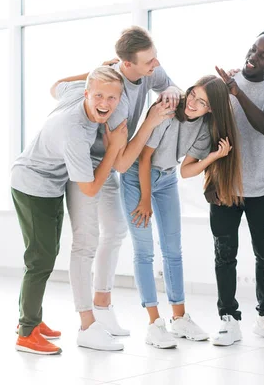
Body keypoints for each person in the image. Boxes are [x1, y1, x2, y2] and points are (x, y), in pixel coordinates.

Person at [51, 26, 182, 350]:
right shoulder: (116, 98)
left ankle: (103, 305)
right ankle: (87, 323)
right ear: (127, 64)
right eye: (149, 61)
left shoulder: (149, 71)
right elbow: (123, 163)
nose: (156, 64)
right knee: (86, 242)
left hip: (106, 164)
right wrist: (150, 120)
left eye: (154, 58)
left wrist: (173, 90)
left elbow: (170, 83)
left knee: (116, 231)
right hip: (87, 165)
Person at [11, 67, 128, 355]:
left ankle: (31, 322)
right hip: (33, 185)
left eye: (112, 97)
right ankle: (26, 333)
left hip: (48, 186)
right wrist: (113, 149)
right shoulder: (75, 131)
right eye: (99, 95)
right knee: (40, 259)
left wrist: (99, 68)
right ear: (87, 93)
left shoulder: (75, 92)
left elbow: (56, 86)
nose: (105, 103)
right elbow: (88, 189)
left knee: (44, 255)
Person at [120, 75, 243, 349]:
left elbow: (187, 170)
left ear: (210, 109)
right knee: (144, 251)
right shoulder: (167, 111)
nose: (194, 103)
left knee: (173, 249)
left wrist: (212, 157)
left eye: (202, 102)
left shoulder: (204, 127)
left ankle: (179, 318)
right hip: (137, 177)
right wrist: (145, 198)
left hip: (167, 179)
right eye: (193, 95)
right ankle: (154, 324)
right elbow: (144, 158)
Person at [210, 30, 264, 346]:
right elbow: (205, 129)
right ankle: (228, 319)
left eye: (262, 55)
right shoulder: (223, 84)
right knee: (224, 256)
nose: (253, 56)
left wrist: (238, 92)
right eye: (252, 49)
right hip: (225, 189)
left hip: (262, 188)